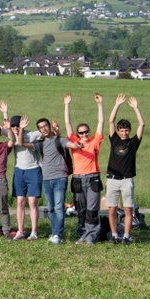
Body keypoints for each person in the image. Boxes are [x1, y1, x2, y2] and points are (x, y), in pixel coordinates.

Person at [64, 92, 105, 244]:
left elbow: (101, 122)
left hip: (93, 177)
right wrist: (67, 105)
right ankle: (82, 233)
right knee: (81, 209)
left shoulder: (94, 142)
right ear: (78, 134)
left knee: (92, 208)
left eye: (86, 131)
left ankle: (92, 236)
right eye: (81, 132)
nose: (84, 134)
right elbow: (67, 124)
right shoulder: (74, 142)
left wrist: (100, 104)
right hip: (77, 179)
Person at [105, 94, 145, 244]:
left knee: (128, 210)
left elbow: (142, 125)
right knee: (112, 209)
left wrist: (135, 108)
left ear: (129, 130)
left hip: (127, 180)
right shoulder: (114, 139)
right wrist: (117, 105)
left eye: (126, 130)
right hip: (112, 180)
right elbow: (110, 121)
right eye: (121, 130)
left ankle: (126, 236)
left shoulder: (133, 143)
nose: (123, 133)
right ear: (118, 130)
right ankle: (115, 235)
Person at [27, 113, 72, 244]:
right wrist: (21, 130)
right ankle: (55, 233)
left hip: (60, 177)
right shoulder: (39, 144)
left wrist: (78, 144)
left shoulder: (60, 140)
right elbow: (20, 143)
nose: (44, 129)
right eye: (41, 128)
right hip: (46, 179)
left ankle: (57, 234)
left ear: (49, 127)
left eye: (45, 126)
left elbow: (71, 145)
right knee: (51, 208)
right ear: (39, 130)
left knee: (58, 207)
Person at [4, 100, 42, 240]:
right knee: (20, 201)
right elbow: (0, 126)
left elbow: (45, 132)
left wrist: (54, 129)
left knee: (32, 202)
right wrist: (4, 113)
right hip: (19, 171)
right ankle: (20, 231)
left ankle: (34, 232)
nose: (15, 127)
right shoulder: (11, 135)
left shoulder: (32, 135)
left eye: (17, 125)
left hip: (33, 170)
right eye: (13, 126)